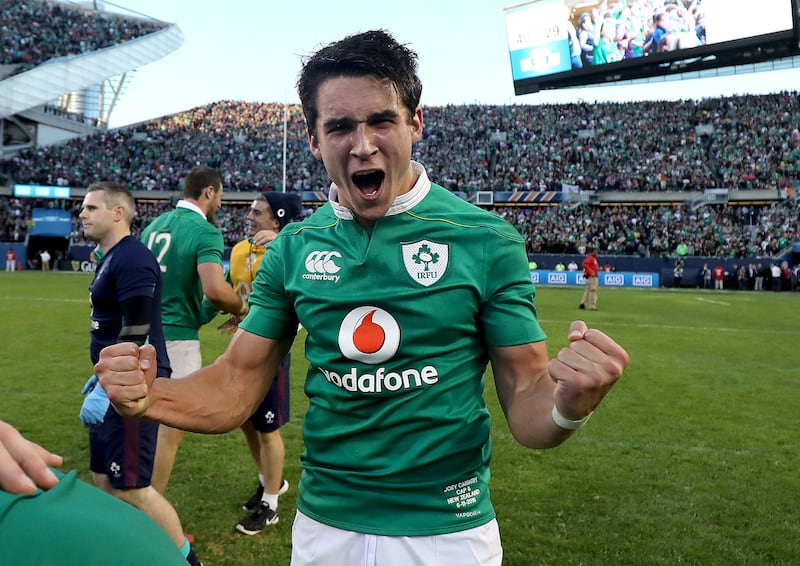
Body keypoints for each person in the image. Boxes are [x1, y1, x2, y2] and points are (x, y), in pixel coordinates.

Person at [96, 30, 629, 566]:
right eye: (340, 126)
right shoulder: (295, 248)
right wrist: (151, 397)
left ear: (415, 122)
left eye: (381, 120)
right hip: (324, 531)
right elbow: (236, 382)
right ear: (313, 138)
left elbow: (527, 402)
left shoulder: (486, 241)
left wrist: (567, 405)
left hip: (448, 536)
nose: (363, 144)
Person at [77, 182, 201, 565]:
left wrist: (111, 387)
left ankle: (186, 558)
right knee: (103, 478)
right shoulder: (111, 256)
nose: (82, 214)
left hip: (132, 386)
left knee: (133, 487)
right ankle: (121, 550)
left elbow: (138, 325)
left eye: (91, 207)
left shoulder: (132, 257)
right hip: (112, 381)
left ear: (118, 213)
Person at [141, 165, 247, 495]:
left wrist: (207, 310)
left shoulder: (154, 226)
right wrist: (240, 308)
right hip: (177, 343)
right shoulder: (204, 232)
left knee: (142, 425)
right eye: (220, 198)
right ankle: (149, 512)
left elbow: (198, 303)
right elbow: (215, 289)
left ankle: (129, 499)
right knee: (168, 432)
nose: (219, 206)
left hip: (144, 335)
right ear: (209, 192)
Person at [217, 192, 300, 535]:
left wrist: (283, 243)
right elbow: (235, 294)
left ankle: (271, 505)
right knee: (246, 422)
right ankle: (270, 481)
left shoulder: (293, 249)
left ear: (278, 219)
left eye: (257, 211)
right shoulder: (239, 250)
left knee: (267, 428)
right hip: (242, 348)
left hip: (272, 350)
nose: (249, 215)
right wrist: (233, 312)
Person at [0, 419, 188, 565]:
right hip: (107, 399)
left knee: (131, 489)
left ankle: (190, 559)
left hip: (127, 403)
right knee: (102, 477)